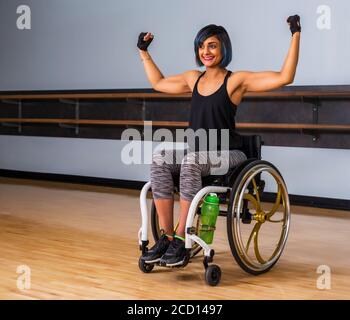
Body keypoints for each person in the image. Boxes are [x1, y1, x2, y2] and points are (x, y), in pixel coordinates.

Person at [137, 15, 301, 267]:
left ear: (224, 47)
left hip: (230, 154)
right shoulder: (194, 78)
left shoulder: (236, 81)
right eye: (201, 46)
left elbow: (284, 76)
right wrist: (143, 52)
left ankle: (182, 238)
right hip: (198, 152)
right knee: (160, 158)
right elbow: (158, 83)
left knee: (191, 162)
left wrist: (295, 34)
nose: (206, 51)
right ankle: (167, 238)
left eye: (212, 45)